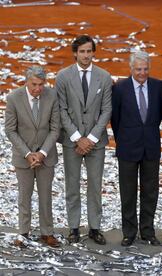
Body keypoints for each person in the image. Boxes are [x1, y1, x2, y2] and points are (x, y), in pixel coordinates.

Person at [56, 34, 112, 245]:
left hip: (96, 142)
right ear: (75, 53)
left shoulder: (104, 76)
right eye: (82, 52)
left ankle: (95, 228)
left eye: (89, 51)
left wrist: (91, 138)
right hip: (72, 142)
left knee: (95, 186)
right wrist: (78, 138)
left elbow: (107, 110)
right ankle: (73, 228)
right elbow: (61, 110)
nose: (86, 55)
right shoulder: (62, 76)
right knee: (72, 185)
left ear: (93, 52)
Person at [111, 51, 162, 247]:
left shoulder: (159, 86)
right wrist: (123, 139)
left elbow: (157, 115)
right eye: (138, 69)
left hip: (150, 146)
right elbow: (115, 119)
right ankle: (129, 232)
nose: (142, 73)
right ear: (131, 69)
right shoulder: (119, 88)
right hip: (127, 147)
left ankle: (148, 231)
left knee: (150, 191)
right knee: (128, 191)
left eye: (145, 69)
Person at [5, 66, 60, 248]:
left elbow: (55, 128)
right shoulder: (13, 98)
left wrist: (42, 153)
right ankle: (23, 232)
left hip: (46, 155)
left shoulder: (52, 96)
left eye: (41, 84)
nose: (38, 88)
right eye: (34, 84)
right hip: (23, 157)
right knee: (24, 196)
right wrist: (28, 153)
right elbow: (10, 130)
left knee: (46, 196)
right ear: (26, 81)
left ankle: (47, 233)